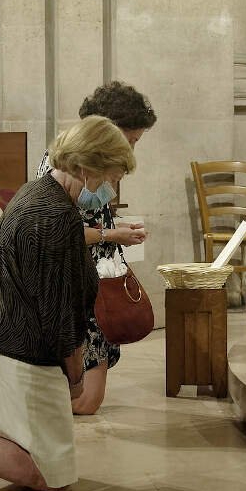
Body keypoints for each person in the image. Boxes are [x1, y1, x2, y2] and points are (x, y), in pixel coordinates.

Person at [0, 116, 137, 491]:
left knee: (38, 454)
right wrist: (75, 378)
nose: (112, 187)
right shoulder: (56, 217)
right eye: (110, 176)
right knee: (47, 474)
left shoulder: (36, 191)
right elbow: (62, 318)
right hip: (21, 355)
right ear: (84, 167)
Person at [35, 81, 156, 415]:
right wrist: (111, 236)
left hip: (93, 280)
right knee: (86, 401)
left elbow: (89, 217)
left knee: (85, 394)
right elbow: (63, 232)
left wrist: (115, 228)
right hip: (77, 281)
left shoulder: (90, 163)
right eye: (131, 141)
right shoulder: (66, 165)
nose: (131, 150)